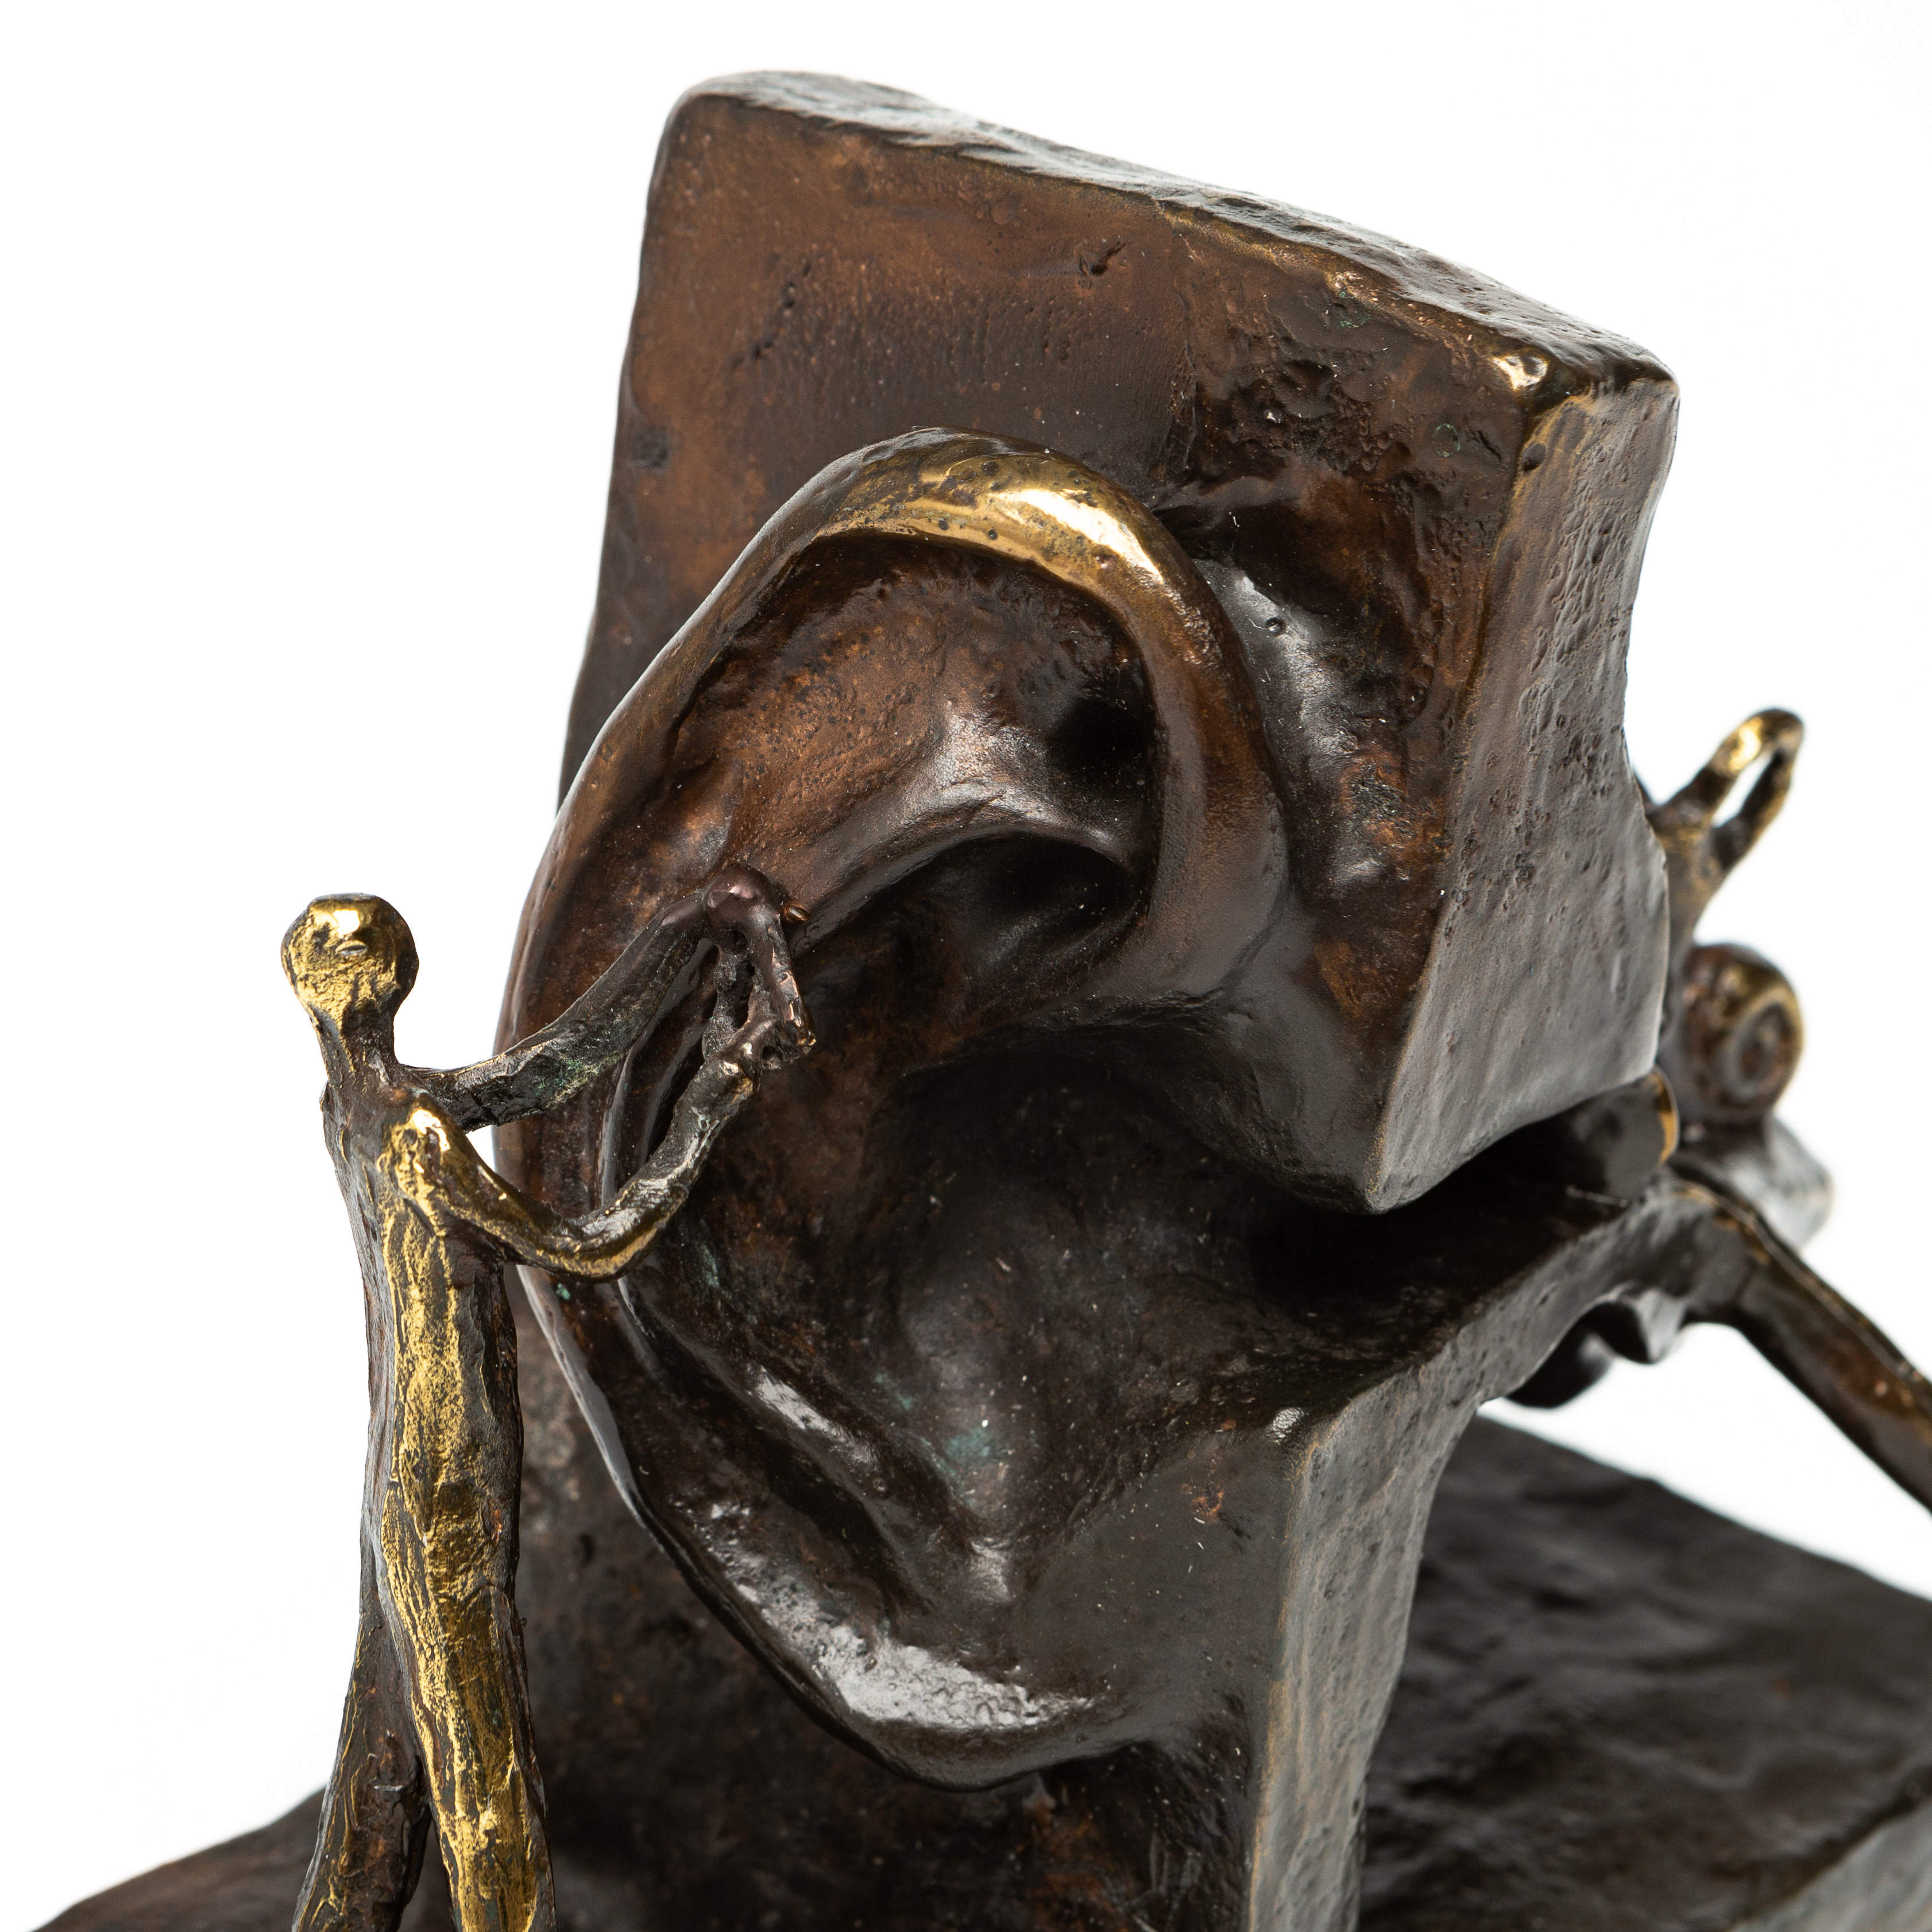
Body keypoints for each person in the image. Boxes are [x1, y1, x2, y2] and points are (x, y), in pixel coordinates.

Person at [280, 868, 810, 1932]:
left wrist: (678, 928)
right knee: (484, 1789)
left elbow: (545, 1067)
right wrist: (707, 1106)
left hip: (396, 1489)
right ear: (396, 977)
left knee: (381, 1781)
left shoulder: (352, 1109)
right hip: (446, 1486)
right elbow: (589, 1248)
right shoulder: (418, 1136)